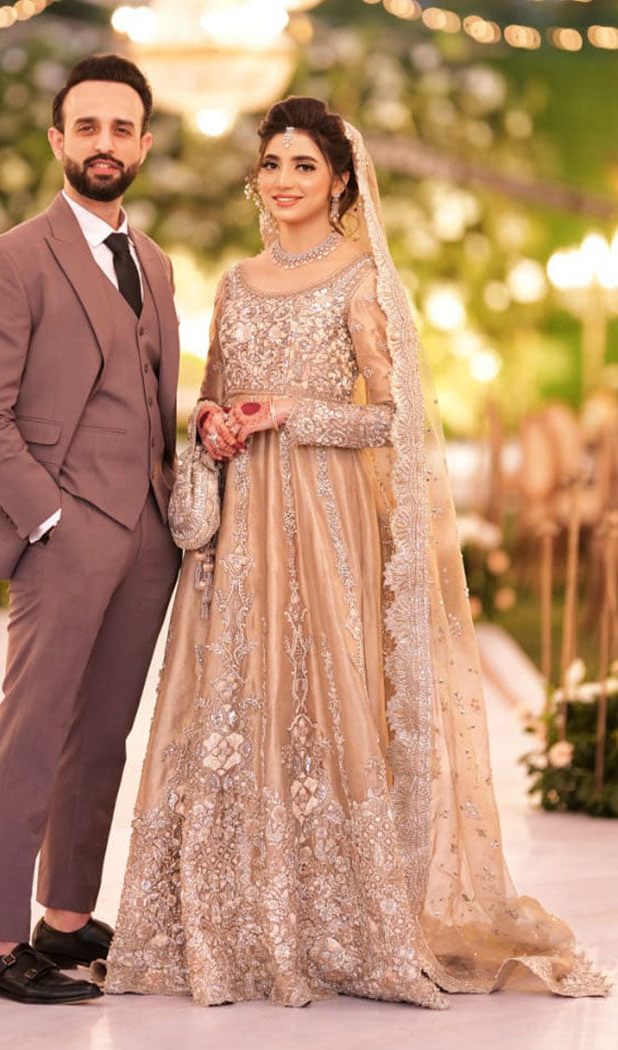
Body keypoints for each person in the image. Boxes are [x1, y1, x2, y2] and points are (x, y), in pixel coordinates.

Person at [97, 97, 609, 1009]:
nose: (284, 180)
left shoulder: (362, 278)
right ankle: (230, 918)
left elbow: (395, 419)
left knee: (324, 694)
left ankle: (342, 922)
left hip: (327, 521)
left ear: (340, 180)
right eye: (272, 163)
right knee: (236, 699)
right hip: (242, 530)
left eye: (304, 165)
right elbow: (212, 392)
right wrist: (212, 423)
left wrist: (295, 412)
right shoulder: (236, 282)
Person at [0, 54, 181, 1005]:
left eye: (121, 128)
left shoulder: (156, 262)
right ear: (58, 139)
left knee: (103, 735)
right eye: (87, 126)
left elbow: (153, 396)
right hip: (61, 530)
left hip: (149, 536)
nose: (104, 143)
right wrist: (48, 518)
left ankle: (65, 920)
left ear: (144, 144)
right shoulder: (5, 260)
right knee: (34, 730)